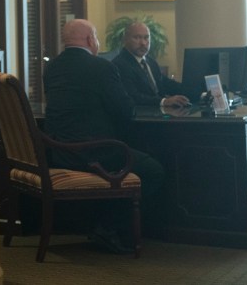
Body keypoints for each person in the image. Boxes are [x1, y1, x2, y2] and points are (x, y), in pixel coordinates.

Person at [44, 18, 164, 254]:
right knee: (153, 170)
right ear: (91, 40)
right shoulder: (101, 67)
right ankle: (109, 226)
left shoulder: (52, 67)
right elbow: (126, 111)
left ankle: (99, 224)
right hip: (93, 153)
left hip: (58, 152)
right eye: (96, 37)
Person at [112, 21, 193, 107]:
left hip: (159, 111)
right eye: (137, 38)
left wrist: (197, 94)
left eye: (146, 37)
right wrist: (163, 101)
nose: (143, 43)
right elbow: (133, 96)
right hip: (141, 113)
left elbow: (166, 84)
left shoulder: (150, 62)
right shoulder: (119, 64)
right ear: (125, 40)